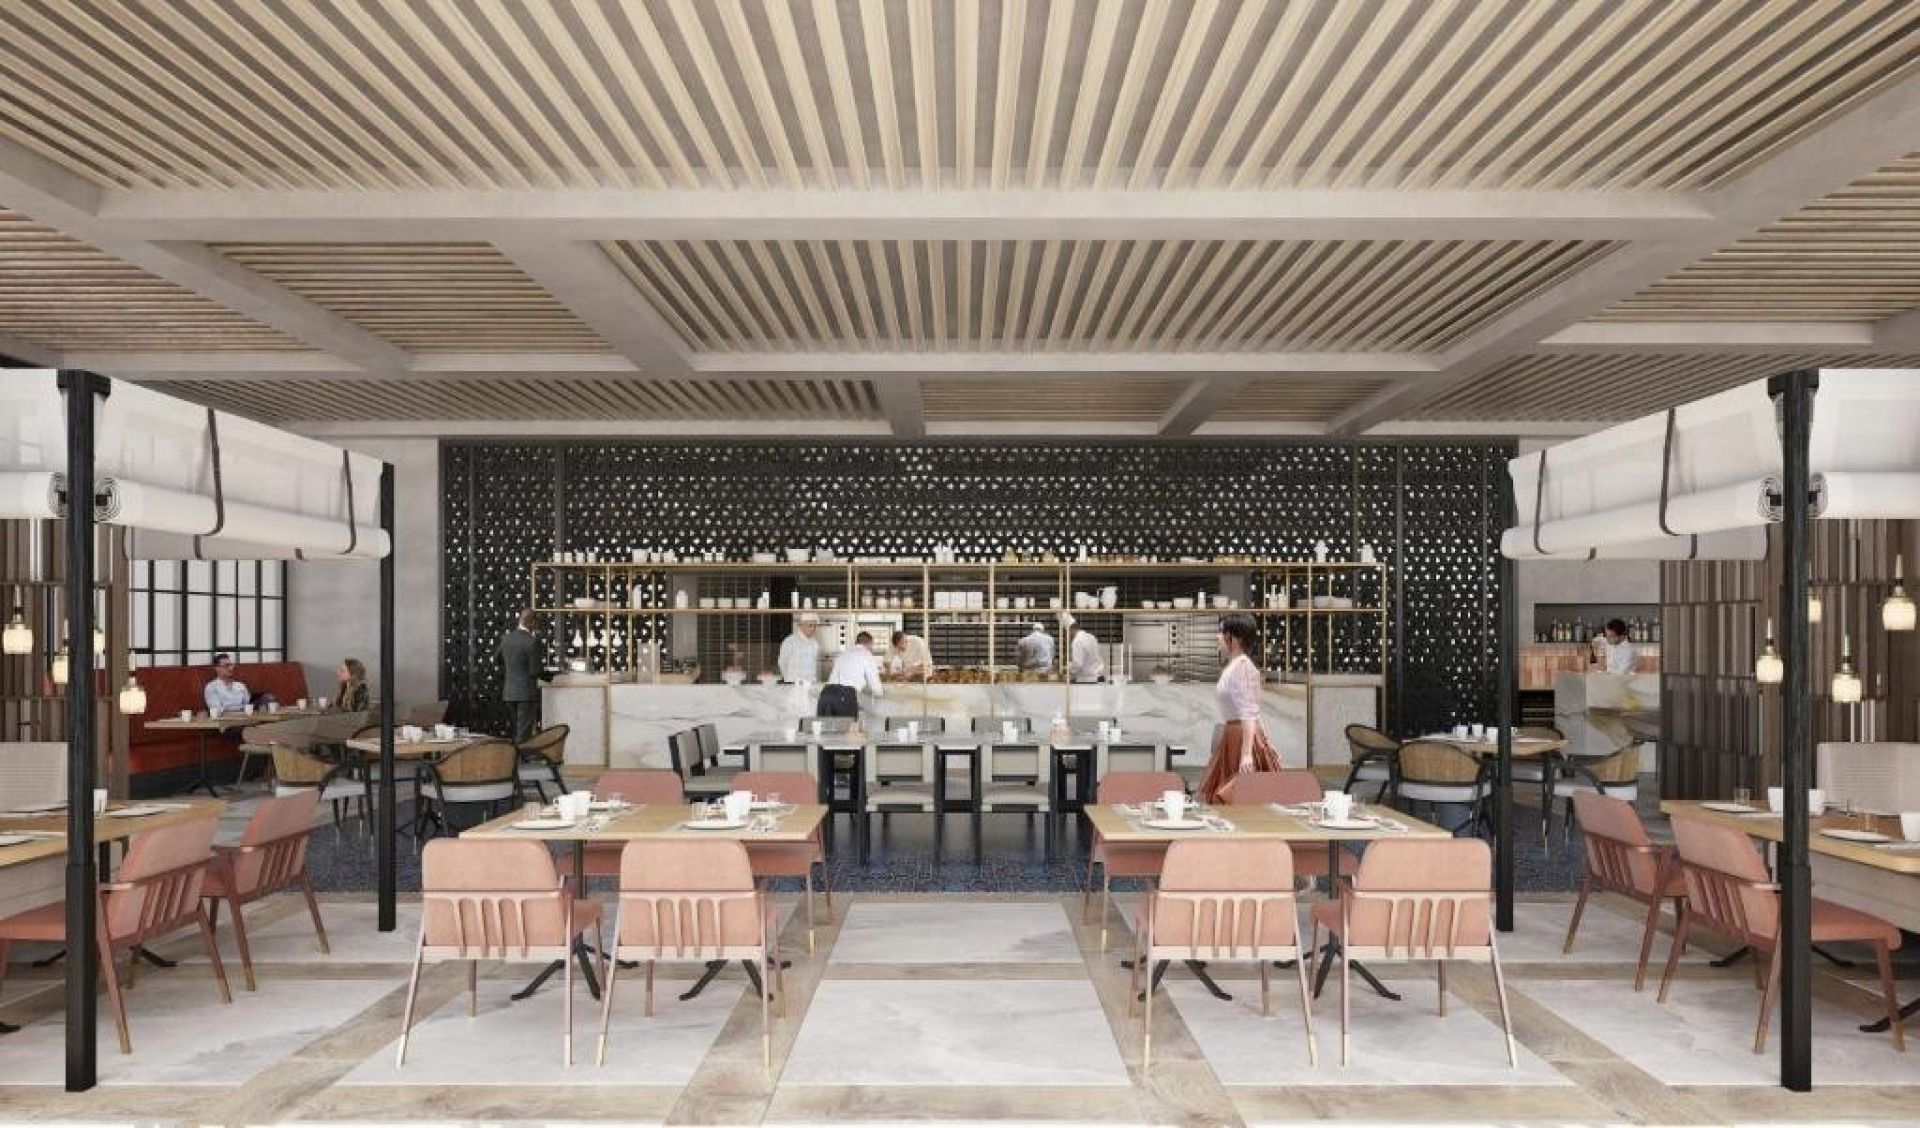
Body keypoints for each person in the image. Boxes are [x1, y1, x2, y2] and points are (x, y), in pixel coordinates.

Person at [1198, 614, 1280, 803]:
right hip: (1234, 735)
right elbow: (1252, 710)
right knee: (1232, 797)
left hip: (1241, 738)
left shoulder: (1242, 667)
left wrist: (1246, 754)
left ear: (1234, 637)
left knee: (1240, 796)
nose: (1217, 636)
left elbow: (1249, 712)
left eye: (1222, 632)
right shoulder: (1234, 665)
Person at [499, 609, 544, 743]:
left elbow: (497, 659)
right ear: (532, 623)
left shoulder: (506, 639)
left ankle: (516, 753)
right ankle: (521, 755)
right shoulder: (531, 642)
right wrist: (552, 676)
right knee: (523, 733)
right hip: (526, 694)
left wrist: (511, 668)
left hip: (509, 692)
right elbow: (535, 671)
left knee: (517, 731)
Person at [818, 630, 884, 718]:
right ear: (869, 643)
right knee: (849, 726)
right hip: (845, 696)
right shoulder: (867, 655)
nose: (872, 648)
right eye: (872, 645)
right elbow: (875, 685)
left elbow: (834, 677)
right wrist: (880, 694)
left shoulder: (844, 653)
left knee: (826, 726)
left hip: (826, 693)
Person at [778, 612, 822, 684]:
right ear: (802, 625)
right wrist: (789, 680)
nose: (813, 629)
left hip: (811, 683)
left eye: (815, 626)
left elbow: (815, 667)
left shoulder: (815, 644)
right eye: (810, 625)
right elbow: (782, 662)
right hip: (793, 684)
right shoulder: (790, 641)